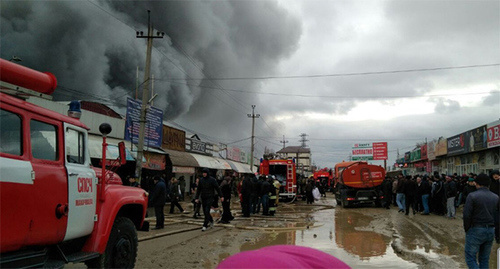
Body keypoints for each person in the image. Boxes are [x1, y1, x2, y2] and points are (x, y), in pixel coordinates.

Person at [463, 173, 499, 268]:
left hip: (476, 229)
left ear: (476, 183)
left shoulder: (472, 196)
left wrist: (467, 229)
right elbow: (497, 215)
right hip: (490, 230)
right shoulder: (495, 197)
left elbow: (467, 215)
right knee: (484, 259)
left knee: (470, 257)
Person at [489, 170, 499, 243]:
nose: (496, 176)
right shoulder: (491, 184)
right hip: (495, 206)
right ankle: (497, 237)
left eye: (497, 174)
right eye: (494, 175)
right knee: (497, 222)